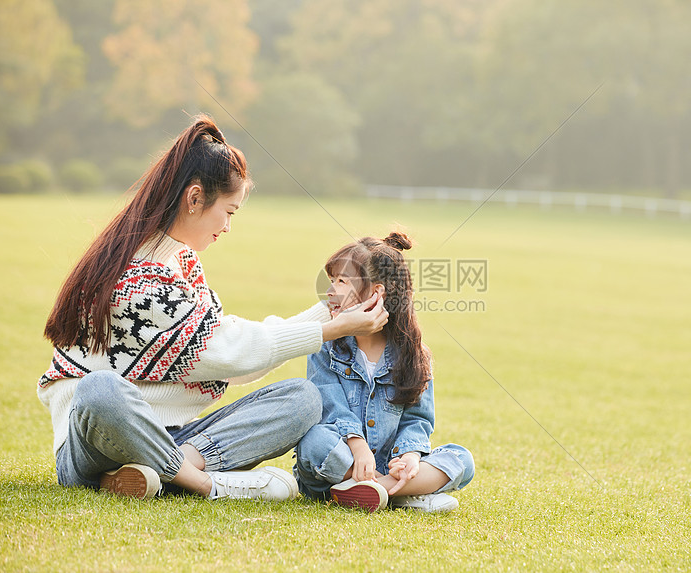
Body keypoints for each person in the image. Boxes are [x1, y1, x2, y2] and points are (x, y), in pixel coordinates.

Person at [38, 115, 388, 501]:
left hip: (173, 437)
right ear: (194, 199)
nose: (228, 227)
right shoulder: (137, 277)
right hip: (96, 444)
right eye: (229, 211)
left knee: (302, 399)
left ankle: (155, 473)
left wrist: (332, 310)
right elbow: (225, 352)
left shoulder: (180, 261)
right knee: (100, 390)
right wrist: (329, 328)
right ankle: (203, 483)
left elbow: (226, 354)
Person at [294, 232, 475, 512]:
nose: (330, 291)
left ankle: (378, 488)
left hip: (389, 465)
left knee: (461, 458)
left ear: (376, 293)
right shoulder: (325, 347)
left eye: (341, 281)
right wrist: (358, 447)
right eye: (332, 281)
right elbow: (331, 408)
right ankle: (400, 494)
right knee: (314, 443)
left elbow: (417, 420)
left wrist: (411, 456)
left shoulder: (415, 355)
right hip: (343, 460)